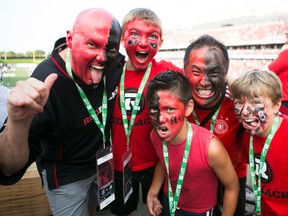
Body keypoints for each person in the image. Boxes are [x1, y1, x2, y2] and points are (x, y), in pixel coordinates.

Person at [0, 8, 124, 216]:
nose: (102, 57)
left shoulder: (114, 63)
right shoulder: (45, 81)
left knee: (93, 210)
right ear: (70, 39)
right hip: (66, 174)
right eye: (91, 44)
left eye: (110, 48)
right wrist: (18, 122)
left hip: (100, 164)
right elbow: (8, 166)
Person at [110, 8, 183, 216]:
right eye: (134, 34)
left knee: (158, 211)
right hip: (118, 164)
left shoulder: (166, 71)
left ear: (160, 43)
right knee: (122, 212)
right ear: (123, 38)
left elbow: (198, 82)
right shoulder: (110, 71)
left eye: (152, 37)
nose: (143, 43)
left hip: (156, 163)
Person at [146, 70, 239, 216]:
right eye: (154, 110)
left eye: (170, 109)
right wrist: (152, 193)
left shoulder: (211, 148)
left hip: (199, 211)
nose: (160, 118)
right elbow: (163, 161)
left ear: (188, 107)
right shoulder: (155, 135)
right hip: (168, 200)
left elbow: (232, 187)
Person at [183, 34, 247, 216]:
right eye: (196, 72)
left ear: (225, 73)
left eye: (214, 73)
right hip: (192, 183)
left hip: (232, 181)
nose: (204, 81)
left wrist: (240, 91)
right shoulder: (178, 100)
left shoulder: (240, 104)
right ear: (184, 71)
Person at [229, 70, 288, 216]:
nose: (244, 111)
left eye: (256, 103)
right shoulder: (248, 135)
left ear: (276, 105)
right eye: (239, 103)